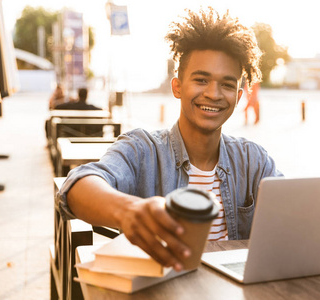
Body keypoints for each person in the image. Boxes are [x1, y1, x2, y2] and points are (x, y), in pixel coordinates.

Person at [56, 7, 282, 272]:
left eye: (227, 84)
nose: (213, 93)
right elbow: (76, 188)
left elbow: (295, 210)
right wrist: (129, 211)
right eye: (201, 80)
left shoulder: (254, 160)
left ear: (239, 95)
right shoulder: (142, 148)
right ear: (177, 87)